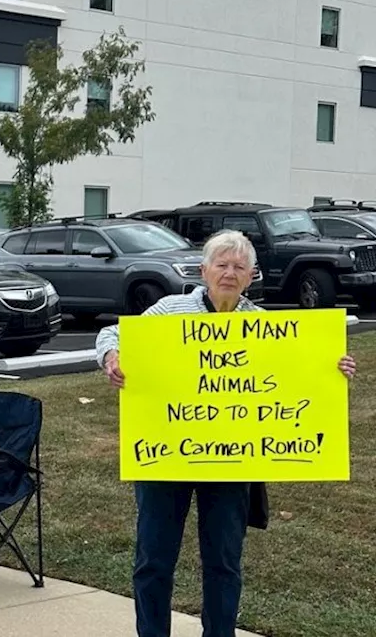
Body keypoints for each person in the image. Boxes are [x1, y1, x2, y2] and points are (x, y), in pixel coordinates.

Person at [96, 230, 357, 637]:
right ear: (204, 271)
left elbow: (296, 375)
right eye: (221, 265)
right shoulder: (168, 311)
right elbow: (112, 334)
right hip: (165, 455)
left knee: (223, 561)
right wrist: (113, 359)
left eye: (239, 267)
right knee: (154, 559)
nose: (230, 273)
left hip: (233, 458)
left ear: (252, 276)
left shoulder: (264, 326)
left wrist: (332, 369)